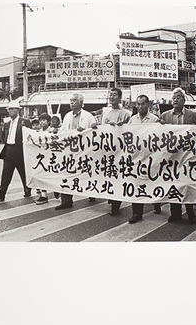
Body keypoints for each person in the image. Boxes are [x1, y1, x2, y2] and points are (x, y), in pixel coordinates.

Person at [159, 87, 196, 224]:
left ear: (183, 100)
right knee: (173, 184)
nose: (175, 100)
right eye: (173, 98)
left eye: (178, 97)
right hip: (171, 158)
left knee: (187, 185)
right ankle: (175, 213)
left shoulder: (192, 115)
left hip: (187, 156)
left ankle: (190, 212)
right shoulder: (165, 116)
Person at [56, 93, 98, 210]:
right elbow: (64, 132)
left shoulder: (88, 116)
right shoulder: (67, 116)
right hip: (70, 150)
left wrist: (85, 130)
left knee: (88, 172)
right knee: (67, 173)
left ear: (80, 102)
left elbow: (94, 132)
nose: (72, 103)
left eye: (74, 100)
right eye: (70, 101)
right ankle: (66, 200)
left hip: (84, 150)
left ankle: (92, 193)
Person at [127, 95, 162, 223]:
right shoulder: (132, 120)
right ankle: (137, 213)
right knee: (137, 184)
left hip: (151, 157)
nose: (140, 107)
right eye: (138, 104)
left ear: (148, 105)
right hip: (136, 158)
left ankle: (156, 203)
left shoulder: (154, 120)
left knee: (152, 183)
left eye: (143, 104)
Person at [99, 88, 133, 216]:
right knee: (109, 175)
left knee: (118, 176)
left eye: (114, 95)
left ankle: (116, 205)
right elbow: (102, 129)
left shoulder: (126, 114)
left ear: (120, 98)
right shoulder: (106, 112)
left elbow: (130, 130)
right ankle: (112, 199)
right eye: (110, 95)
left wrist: (121, 127)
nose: (112, 97)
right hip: (108, 149)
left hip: (120, 150)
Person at [0, 100, 32, 201]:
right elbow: (6, 136)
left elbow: (30, 135)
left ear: (18, 110)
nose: (10, 111)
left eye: (12, 109)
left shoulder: (24, 122)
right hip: (8, 149)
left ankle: (27, 188)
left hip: (19, 150)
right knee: (5, 173)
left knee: (23, 171)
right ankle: (1, 193)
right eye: (9, 109)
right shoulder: (7, 123)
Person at [33, 113, 53, 204]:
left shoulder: (52, 131)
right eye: (40, 120)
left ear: (48, 122)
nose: (41, 122)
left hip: (51, 157)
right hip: (41, 157)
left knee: (52, 176)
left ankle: (57, 191)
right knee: (40, 175)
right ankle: (43, 195)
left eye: (44, 120)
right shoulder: (38, 132)